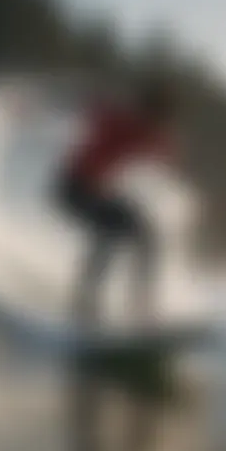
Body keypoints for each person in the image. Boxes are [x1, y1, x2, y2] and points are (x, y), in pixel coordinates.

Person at [52, 76, 178, 326]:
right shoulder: (118, 118)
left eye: (161, 116)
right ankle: (83, 303)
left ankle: (141, 306)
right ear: (146, 108)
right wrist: (28, 104)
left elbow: (164, 152)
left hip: (97, 192)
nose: (158, 121)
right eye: (156, 112)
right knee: (111, 230)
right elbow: (81, 101)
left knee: (148, 236)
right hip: (72, 188)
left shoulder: (151, 133)